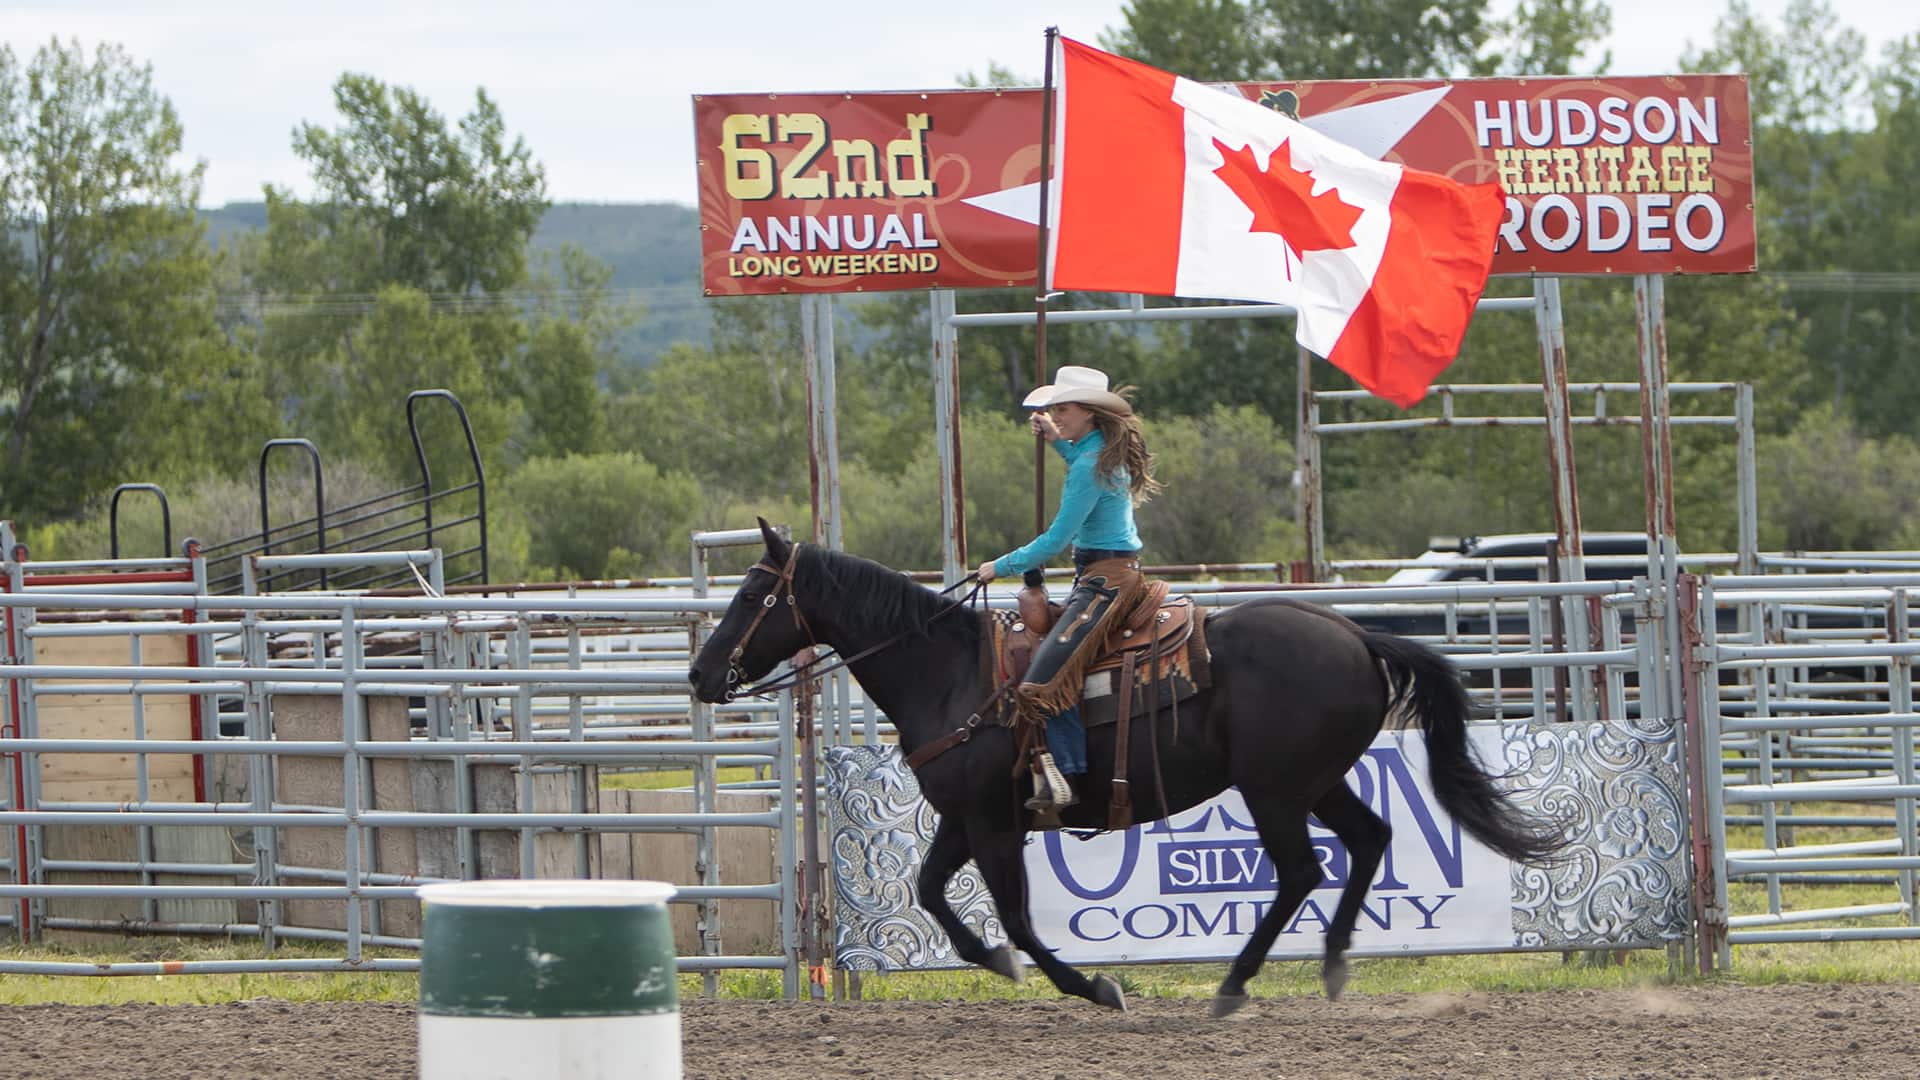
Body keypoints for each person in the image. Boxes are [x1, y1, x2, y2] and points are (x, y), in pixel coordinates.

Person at [975, 365, 1161, 812]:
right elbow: (1080, 466)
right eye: (1054, 409)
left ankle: (1068, 775)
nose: (1056, 415)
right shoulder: (1094, 453)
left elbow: (1056, 541)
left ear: (1089, 413)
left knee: (1043, 677)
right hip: (1111, 573)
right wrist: (1058, 441)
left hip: (1104, 581)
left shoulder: (1091, 465)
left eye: (1063, 409)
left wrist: (998, 566)